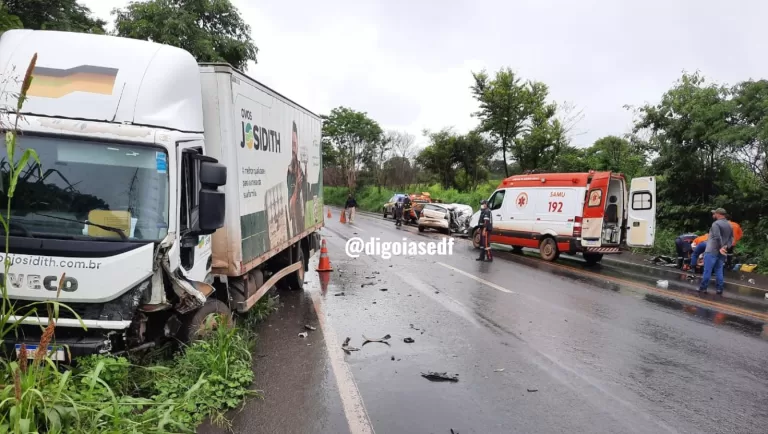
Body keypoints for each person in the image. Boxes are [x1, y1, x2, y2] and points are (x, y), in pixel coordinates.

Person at [698, 208, 734, 294]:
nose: (713, 215)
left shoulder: (716, 224)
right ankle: (719, 289)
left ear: (719, 214)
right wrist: (726, 247)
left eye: (715, 213)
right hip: (722, 251)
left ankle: (703, 288)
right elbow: (731, 238)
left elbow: (717, 237)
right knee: (719, 270)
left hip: (712, 250)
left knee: (707, 270)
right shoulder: (729, 225)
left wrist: (721, 247)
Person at [287, 121, 307, 237]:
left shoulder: (300, 168)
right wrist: (296, 187)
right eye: (291, 144)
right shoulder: (288, 172)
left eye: (294, 144)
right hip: (293, 225)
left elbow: (306, 192)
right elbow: (290, 207)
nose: (293, 148)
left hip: (302, 221)